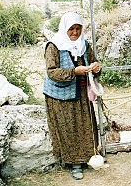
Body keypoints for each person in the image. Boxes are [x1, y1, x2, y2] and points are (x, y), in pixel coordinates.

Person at [43, 12, 101, 180]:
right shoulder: (54, 46)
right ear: (64, 28)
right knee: (69, 128)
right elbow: (51, 72)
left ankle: (88, 157)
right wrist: (73, 71)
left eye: (78, 28)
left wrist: (96, 68)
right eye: (71, 29)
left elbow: (93, 62)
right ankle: (74, 164)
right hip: (60, 96)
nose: (75, 33)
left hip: (81, 93)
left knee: (86, 126)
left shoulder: (84, 45)